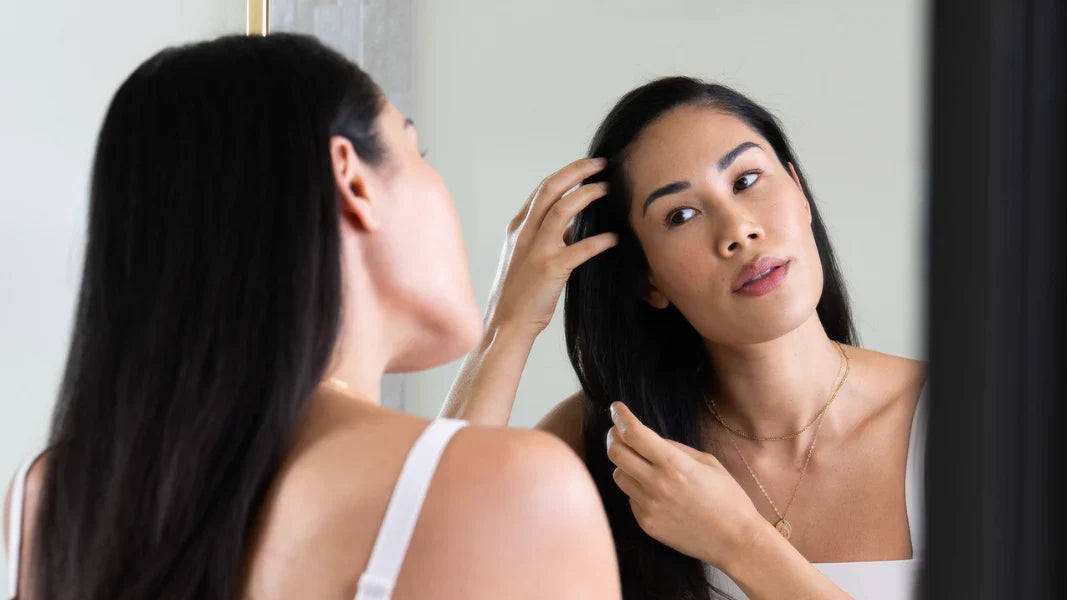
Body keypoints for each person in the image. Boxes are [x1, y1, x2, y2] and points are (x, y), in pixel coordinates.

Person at [2, 34, 619, 600]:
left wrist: (507, 329)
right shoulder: (521, 490)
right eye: (415, 147)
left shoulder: (48, 499)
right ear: (352, 179)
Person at [443, 77, 926, 599]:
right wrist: (508, 326)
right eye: (681, 215)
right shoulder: (616, 446)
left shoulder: (966, 420)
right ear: (648, 281)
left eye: (746, 180)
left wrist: (738, 543)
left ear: (799, 192)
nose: (738, 229)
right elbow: (422, 561)